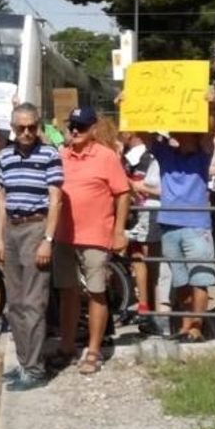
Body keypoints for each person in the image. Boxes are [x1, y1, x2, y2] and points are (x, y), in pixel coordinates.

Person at [53, 107, 130, 375]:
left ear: (93, 130)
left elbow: (123, 193)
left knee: (97, 292)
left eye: (82, 127)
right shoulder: (60, 155)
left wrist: (118, 231)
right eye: (72, 126)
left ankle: (94, 350)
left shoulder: (106, 157)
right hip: (64, 235)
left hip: (96, 235)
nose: (75, 131)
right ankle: (66, 346)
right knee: (67, 292)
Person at [0, 103, 63, 390]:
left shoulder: (49, 155)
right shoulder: (5, 157)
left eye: (31, 127)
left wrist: (48, 240)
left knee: (34, 303)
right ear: (13, 128)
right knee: (15, 303)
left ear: (38, 126)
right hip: (12, 229)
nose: (26, 132)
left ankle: (35, 370)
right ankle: (24, 362)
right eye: (20, 127)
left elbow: (56, 199)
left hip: (36, 227)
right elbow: (2, 199)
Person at [153, 130, 215, 342]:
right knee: (180, 281)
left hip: (197, 226)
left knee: (200, 279)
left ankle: (197, 327)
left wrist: (209, 109)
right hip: (169, 225)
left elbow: (209, 130)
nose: (179, 133)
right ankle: (185, 326)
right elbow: (143, 133)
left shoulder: (203, 154)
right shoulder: (165, 153)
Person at [121, 131, 162, 320]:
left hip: (148, 212)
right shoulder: (130, 156)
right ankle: (145, 306)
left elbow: (153, 187)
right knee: (138, 257)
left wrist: (134, 185)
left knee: (150, 261)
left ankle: (153, 308)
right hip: (135, 211)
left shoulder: (149, 156)